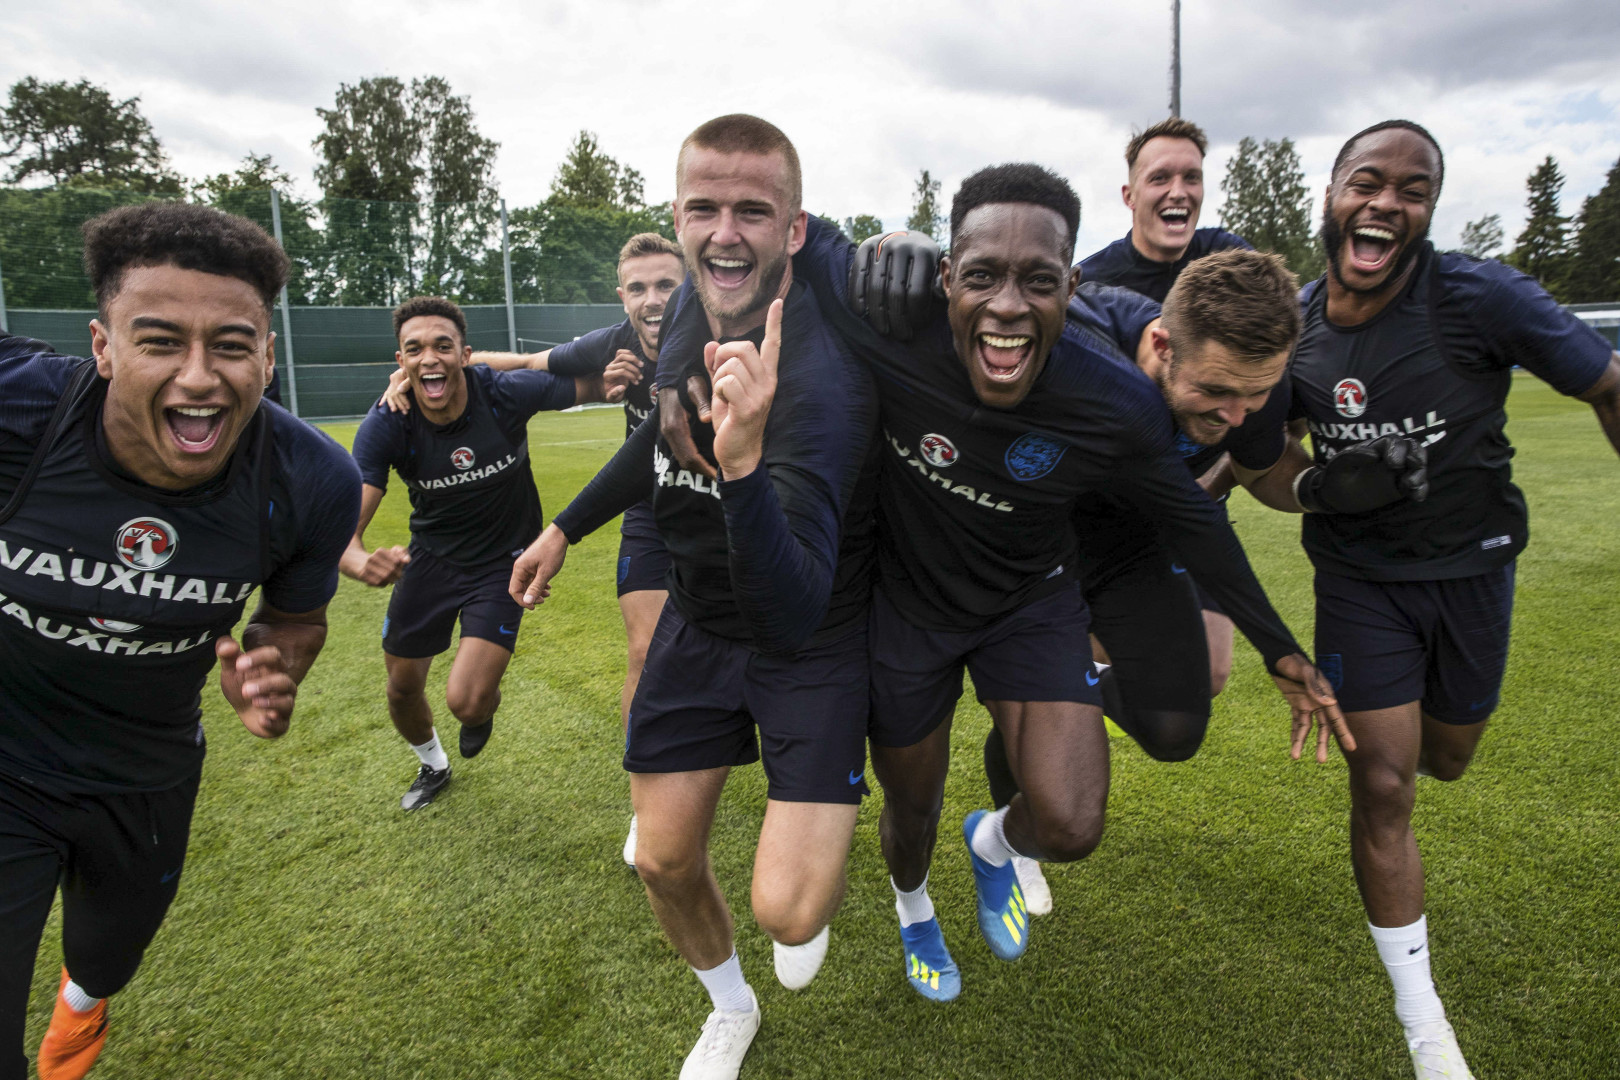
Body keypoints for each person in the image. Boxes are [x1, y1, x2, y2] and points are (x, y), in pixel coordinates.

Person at [730, 166, 1345, 1006]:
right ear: (947, 276)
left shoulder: (1116, 400)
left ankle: (991, 845)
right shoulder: (892, 322)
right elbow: (779, 233)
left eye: (1039, 281)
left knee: (1071, 822)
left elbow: (1197, 525)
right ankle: (915, 909)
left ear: (1071, 286)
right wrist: (881, 241)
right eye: (982, 276)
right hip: (908, 608)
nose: (1009, 306)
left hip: (1029, 602)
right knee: (911, 809)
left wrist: (1282, 652)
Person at [510, 115, 878, 1080]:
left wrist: (743, 465)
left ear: (796, 229)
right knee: (662, 860)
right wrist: (565, 527)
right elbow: (657, 436)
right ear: (676, 218)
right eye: (704, 208)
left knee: (788, 910)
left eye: (754, 211)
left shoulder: (826, 383)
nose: (725, 233)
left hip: (808, 638)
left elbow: (791, 610)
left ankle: (816, 865)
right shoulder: (686, 307)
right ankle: (731, 1008)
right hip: (699, 621)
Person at [1269, 120, 1620, 1080]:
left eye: (1412, 190)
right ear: (1332, 194)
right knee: (1384, 785)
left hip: (1473, 571)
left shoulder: (1479, 296)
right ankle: (1426, 1026)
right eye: (1366, 182)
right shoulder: (1294, 328)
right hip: (1359, 584)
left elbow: (1607, 383)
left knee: (1448, 759)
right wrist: (1319, 488)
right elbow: (1258, 457)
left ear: (1428, 210)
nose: (1386, 202)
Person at [0, 201, 360, 1080]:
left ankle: (84, 1003)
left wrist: (272, 666)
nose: (199, 377)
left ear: (267, 358)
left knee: (106, 958)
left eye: (231, 346)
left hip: (146, 770)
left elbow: (296, 619)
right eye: (159, 342)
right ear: (103, 346)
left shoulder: (312, 479)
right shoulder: (20, 412)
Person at [345, 296, 626, 811]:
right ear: (400, 362)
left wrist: (623, 375)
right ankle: (433, 764)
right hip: (430, 562)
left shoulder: (502, 393)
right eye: (415, 350)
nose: (429, 358)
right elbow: (345, 533)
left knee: (468, 703)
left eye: (443, 346)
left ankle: (480, 714)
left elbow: (593, 386)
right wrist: (361, 562)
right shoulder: (388, 422)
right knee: (401, 689)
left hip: (504, 563)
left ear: (465, 355)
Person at [1078, 116, 1252, 303]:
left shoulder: (1231, 258)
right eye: (1159, 178)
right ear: (1129, 197)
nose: (1178, 193)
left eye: (1191, 177)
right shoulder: (1088, 285)